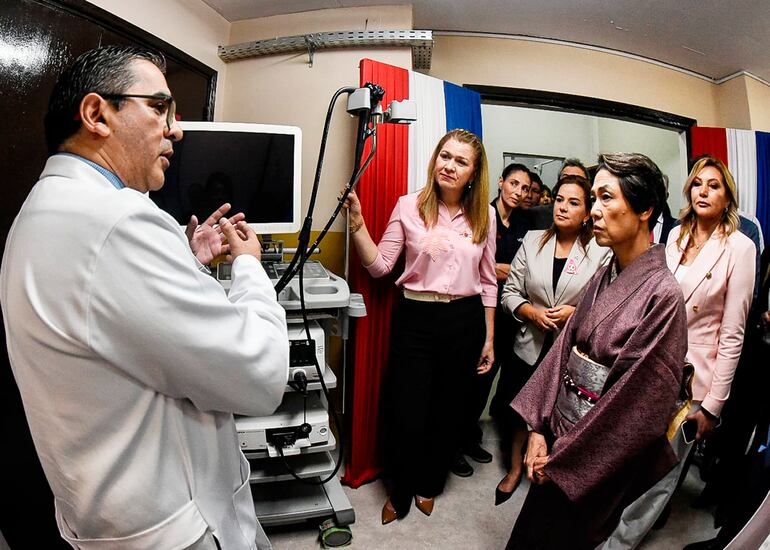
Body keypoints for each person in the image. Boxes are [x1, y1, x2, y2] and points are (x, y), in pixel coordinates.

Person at [0, 45, 290, 549]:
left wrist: (187, 265)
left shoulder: (41, 211)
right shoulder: (121, 219)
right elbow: (260, 376)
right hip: (177, 526)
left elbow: (113, 321)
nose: (176, 129)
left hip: (105, 517)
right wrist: (248, 267)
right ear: (97, 114)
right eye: (159, 107)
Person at [506, 153, 688, 550]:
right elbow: (562, 351)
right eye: (594, 198)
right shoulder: (607, 271)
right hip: (557, 435)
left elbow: (635, 407)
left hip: (594, 455)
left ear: (645, 210)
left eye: (606, 198)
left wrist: (565, 461)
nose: (594, 211)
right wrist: (538, 429)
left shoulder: (664, 295)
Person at [341, 129, 496, 523]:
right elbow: (379, 266)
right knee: (406, 410)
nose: (450, 165)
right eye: (445, 156)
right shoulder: (409, 206)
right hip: (415, 318)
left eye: (461, 161)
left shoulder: (485, 215)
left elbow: (489, 280)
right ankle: (401, 488)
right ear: (434, 159)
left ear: (474, 174)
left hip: (464, 319)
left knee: (447, 409)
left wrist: (489, 337)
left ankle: (429, 483)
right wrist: (358, 225)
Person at [603, 155, 756, 549]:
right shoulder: (673, 235)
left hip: (693, 381)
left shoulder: (739, 247)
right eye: (699, 183)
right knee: (627, 455)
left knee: (661, 475)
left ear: (727, 198)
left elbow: (733, 332)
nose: (704, 190)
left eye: (715, 185)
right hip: (650, 363)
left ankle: (619, 544)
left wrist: (712, 406)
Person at [494, 174, 610, 506]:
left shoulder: (599, 251)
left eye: (574, 202)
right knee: (520, 412)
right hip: (529, 344)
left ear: (587, 212)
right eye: (559, 199)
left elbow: (603, 302)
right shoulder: (532, 241)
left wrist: (574, 312)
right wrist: (531, 313)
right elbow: (510, 293)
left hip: (571, 351)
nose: (563, 207)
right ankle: (515, 468)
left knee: (559, 417)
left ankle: (550, 471)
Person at [459, 163, 532, 478]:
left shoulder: (522, 225)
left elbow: (519, 270)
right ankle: (452, 447)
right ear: (501, 182)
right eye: (514, 183)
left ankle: (469, 438)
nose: (518, 191)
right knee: (469, 383)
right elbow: (483, 268)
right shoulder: (482, 215)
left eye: (524, 188)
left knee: (488, 384)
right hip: (480, 315)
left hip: (509, 319)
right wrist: (508, 269)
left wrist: (506, 269)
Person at [530, 158, 590, 229]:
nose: (571, 183)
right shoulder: (535, 215)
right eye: (566, 179)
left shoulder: (596, 218)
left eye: (578, 180)